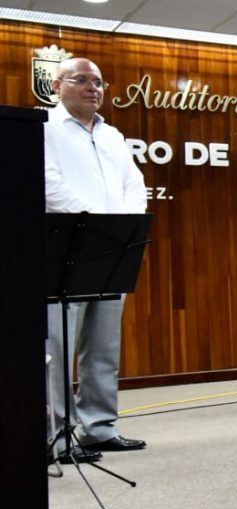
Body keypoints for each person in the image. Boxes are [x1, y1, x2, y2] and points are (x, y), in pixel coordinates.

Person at [44, 58, 148, 464]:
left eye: (99, 82)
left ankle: (99, 428)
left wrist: (124, 229)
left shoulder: (113, 135)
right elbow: (48, 183)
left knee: (103, 345)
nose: (93, 88)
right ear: (57, 85)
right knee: (58, 345)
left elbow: (133, 183)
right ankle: (57, 435)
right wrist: (93, 225)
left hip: (111, 251)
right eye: (82, 80)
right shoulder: (45, 130)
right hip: (66, 248)